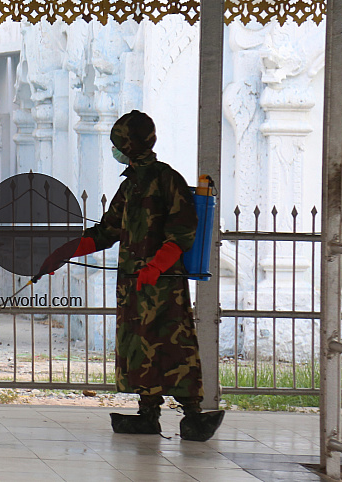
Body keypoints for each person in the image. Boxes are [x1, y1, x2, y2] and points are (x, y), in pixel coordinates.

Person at [36, 110, 224, 441]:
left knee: (175, 347)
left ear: (131, 144)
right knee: (140, 348)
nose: (116, 151)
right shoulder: (131, 186)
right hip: (134, 286)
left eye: (119, 144)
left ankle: (193, 415)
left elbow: (182, 231)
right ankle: (148, 414)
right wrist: (63, 252)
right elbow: (106, 232)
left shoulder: (167, 180)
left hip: (163, 287)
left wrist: (155, 267)